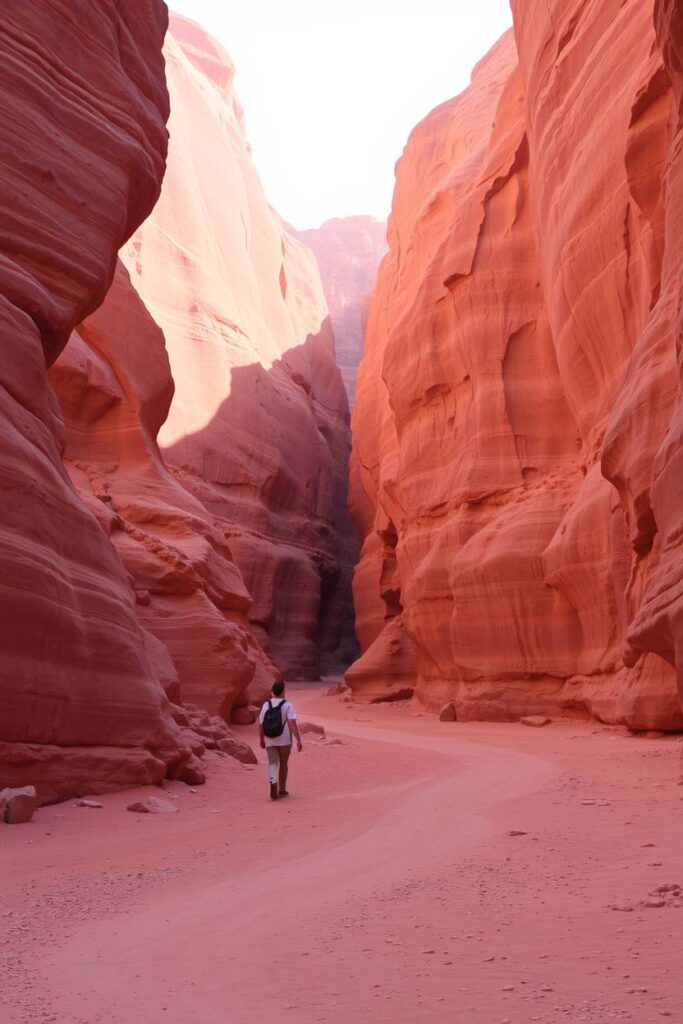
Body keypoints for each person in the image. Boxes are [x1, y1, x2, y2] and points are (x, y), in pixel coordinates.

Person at [258, 681, 303, 800]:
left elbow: (261, 723)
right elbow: (292, 723)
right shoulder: (288, 705)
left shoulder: (266, 705)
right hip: (285, 740)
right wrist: (298, 740)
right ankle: (282, 789)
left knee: (273, 763)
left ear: (272, 691)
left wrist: (261, 738)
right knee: (283, 764)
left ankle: (273, 782)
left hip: (270, 739)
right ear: (283, 691)